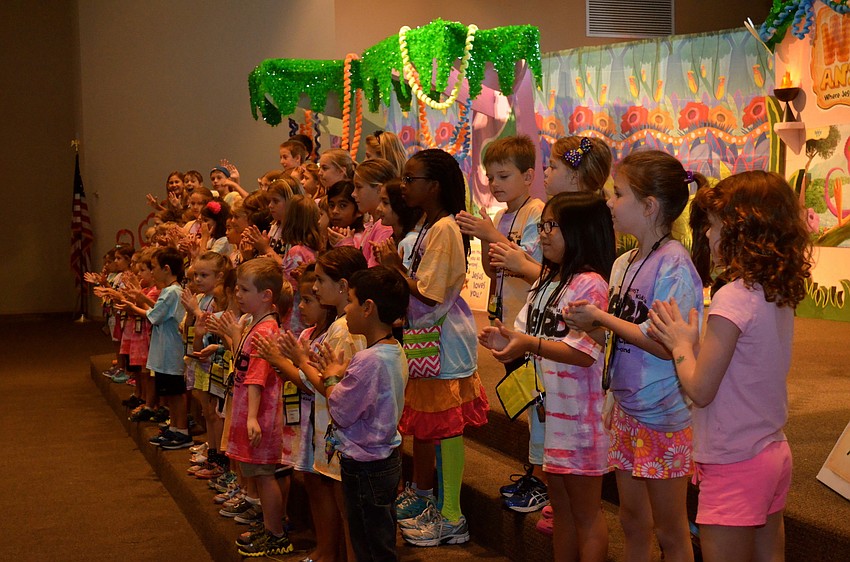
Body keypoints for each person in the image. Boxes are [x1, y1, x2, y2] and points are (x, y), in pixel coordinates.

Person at [647, 171, 812, 562]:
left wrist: (680, 344)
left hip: (735, 461)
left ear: (743, 231)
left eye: (716, 226)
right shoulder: (774, 288)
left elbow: (701, 389)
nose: (707, 235)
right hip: (771, 451)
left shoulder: (733, 298)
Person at [565, 150, 705, 562]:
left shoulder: (674, 265)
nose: (609, 202)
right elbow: (618, 327)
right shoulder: (625, 262)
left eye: (618, 193)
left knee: (671, 529)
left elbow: (665, 342)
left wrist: (602, 319)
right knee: (632, 518)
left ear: (649, 206)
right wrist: (588, 321)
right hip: (628, 408)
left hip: (662, 415)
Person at [481, 192, 615, 561]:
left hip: (582, 421)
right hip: (551, 416)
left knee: (586, 514)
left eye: (551, 225)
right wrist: (506, 340)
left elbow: (583, 354)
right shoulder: (547, 280)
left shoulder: (590, 284)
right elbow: (531, 334)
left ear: (580, 231)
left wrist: (526, 343)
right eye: (542, 225)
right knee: (561, 512)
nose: (543, 234)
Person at [375, 148, 489, 547]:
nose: (404, 187)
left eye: (411, 180)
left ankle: (453, 516)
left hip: (443, 340)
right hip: (429, 339)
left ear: (435, 185)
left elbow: (428, 292)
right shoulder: (430, 223)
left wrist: (394, 268)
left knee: (447, 428)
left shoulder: (444, 228)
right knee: (436, 427)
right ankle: (437, 505)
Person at [456, 135, 546, 512]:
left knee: (539, 403)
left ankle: (543, 479)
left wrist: (491, 236)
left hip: (531, 328)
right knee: (525, 401)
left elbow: (532, 271)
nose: (494, 184)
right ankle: (535, 470)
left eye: (503, 175)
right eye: (490, 176)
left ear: (528, 176)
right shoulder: (501, 216)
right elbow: (495, 272)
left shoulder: (537, 213)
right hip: (507, 322)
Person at [312, 266, 410, 562]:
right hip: (384, 459)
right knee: (378, 539)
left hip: (365, 466)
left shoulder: (368, 360)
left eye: (351, 302)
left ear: (368, 308)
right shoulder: (393, 349)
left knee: (368, 542)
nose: (347, 311)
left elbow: (341, 410)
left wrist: (331, 377)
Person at [223, 258, 293, 557]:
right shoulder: (255, 324)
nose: (238, 295)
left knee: (265, 475)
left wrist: (252, 417)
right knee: (259, 474)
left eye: (244, 289)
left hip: (260, 414)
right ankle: (270, 526)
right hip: (248, 410)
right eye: (237, 288)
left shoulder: (266, 330)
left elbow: (257, 375)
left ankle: (276, 534)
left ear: (266, 295)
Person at [489, 135, 613, 285]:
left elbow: (561, 281)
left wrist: (521, 264)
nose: (546, 172)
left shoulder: (582, 220)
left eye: (553, 167)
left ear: (574, 177)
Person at [181, 251, 232, 478]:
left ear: (220, 276)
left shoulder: (222, 299)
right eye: (196, 275)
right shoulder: (202, 298)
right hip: (202, 360)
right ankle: (212, 455)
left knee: (214, 413)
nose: (198, 280)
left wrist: (196, 311)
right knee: (207, 412)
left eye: (204, 275)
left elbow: (219, 326)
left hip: (217, 362)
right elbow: (191, 330)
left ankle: (220, 461)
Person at [146, 247, 193, 450]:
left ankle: (181, 430)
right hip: (164, 351)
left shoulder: (173, 291)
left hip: (171, 351)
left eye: (154, 268)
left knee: (176, 393)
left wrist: (136, 303)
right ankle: (174, 427)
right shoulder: (170, 291)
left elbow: (154, 316)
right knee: (171, 392)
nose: (152, 272)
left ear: (166, 269)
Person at [352, 158, 395, 266]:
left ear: (379, 189)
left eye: (359, 187)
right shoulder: (372, 224)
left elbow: (370, 271)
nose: (353, 194)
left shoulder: (384, 228)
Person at [374, 178, 423, 270]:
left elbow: (404, 281)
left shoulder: (409, 242)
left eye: (385, 203)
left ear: (400, 205)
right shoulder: (396, 239)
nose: (378, 208)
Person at [326, 180, 366, 248]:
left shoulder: (362, 241)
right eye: (331, 205)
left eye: (342, 206)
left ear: (359, 211)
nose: (334, 211)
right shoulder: (328, 235)